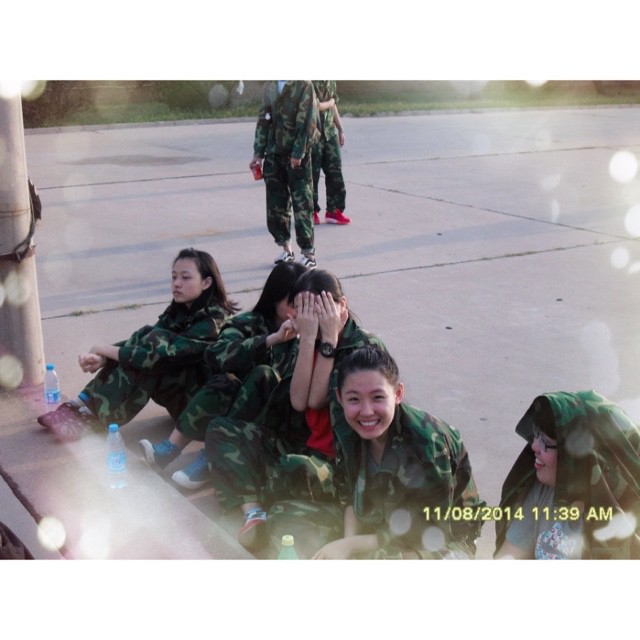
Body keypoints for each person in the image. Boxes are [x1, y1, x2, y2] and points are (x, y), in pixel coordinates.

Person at [207, 269, 386, 556]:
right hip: (302, 446)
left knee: (292, 470)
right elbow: (299, 401)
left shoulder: (363, 348)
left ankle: (258, 490)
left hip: (341, 464)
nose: (312, 317)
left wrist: (328, 340)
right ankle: (254, 512)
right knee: (222, 431)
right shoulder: (305, 339)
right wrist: (307, 340)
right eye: (305, 310)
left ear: (342, 305)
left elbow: (316, 399)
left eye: (321, 308)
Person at [37, 248, 239, 442]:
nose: (177, 283)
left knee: (149, 363)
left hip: (205, 411)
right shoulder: (181, 310)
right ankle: (78, 405)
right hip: (185, 397)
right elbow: (145, 343)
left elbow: (159, 357)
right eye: (174, 277)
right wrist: (104, 357)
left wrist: (105, 350)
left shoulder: (214, 320)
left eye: (186, 278)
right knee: (147, 337)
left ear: (206, 282)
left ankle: (93, 419)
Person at [139, 262, 307, 489]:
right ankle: (170, 448)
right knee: (225, 381)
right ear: (274, 299)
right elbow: (215, 354)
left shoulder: (310, 335)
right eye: (293, 304)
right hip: (234, 408)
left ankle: (213, 456)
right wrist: (270, 340)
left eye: (305, 305)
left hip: (273, 419)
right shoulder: (250, 323)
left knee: (263, 376)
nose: (298, 312)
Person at [312, 346, 485, 559]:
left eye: (377, 397)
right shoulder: (346, 426)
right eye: (354, 399)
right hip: (381, 520)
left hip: (445, 540)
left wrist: (352, 546)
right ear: (340, 398)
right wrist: (347, 546)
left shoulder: (427, 443)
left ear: (398, 394)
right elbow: (349, 492)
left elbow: (429, 528)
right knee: (295, 523)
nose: (366, 411)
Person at [494, 390, 640, 559]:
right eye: (536, 435)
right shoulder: (542, 490)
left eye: (545, 442)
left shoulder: (628, 514)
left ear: (581, 456)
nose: (534, 446)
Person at [249, 81, 320, 269]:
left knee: (302, 203)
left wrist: (298, 152)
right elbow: (263, 120)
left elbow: (307, 121)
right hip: (274, 154)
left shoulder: (303, 85)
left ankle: (308, 254)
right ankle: (286, 249)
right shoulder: (270, 85)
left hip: (296, 156)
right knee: (276, 205)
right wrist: (258, 153)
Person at [311, 81, 350, 226]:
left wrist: (340, 129)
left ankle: (334, 210)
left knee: (335, 172)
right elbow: (315, 105)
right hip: (313, 134)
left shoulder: (330, 81)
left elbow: (333, 107)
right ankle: (311, 211)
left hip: (329, 133)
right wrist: (331, 102)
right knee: (312, 175)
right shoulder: (308, 81)